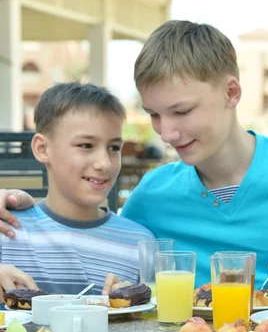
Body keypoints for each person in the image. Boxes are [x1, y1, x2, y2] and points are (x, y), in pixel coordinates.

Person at [0, 22, 268, 306]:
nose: (167, 132)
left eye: (181, 111)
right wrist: (18, 205)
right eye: (154, 115)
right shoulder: (152, 194)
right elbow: (95, 233)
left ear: (231, 92)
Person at [0, 83, 155, 300]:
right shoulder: (6, 230)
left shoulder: (140, 244)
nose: (104, 164)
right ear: (42, 149)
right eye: (85, 145)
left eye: (114, 148)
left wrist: (136, 305)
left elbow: (152, 328)